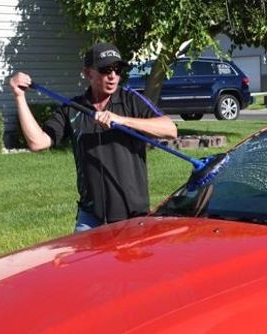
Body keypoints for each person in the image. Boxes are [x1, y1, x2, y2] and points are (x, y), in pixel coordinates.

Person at [10, 42, 177, 232]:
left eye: (118, 69)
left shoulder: (131, 100)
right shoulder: (72, 109)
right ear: (88, 73)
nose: (113, 75)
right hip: (90, 218)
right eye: (106, 70)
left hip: (134, 216)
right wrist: (19, 97)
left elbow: (170, 129)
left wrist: (121, 121)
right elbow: (37, 142)